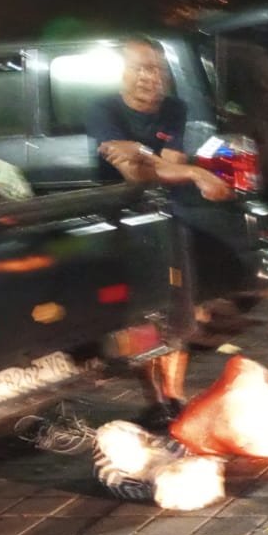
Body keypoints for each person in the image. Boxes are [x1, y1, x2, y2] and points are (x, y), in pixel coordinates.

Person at [87, 37, 231, 418]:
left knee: (180, 311)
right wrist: (193, 173)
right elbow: (132, 175)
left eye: (158, 70)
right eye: (142, 68)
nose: (151, 78)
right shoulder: (103, 109)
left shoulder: (174, 109)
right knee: (142, 316)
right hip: (125, 224)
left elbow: (163, 166)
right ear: (123, 73)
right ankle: (154, 400)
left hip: (169, 217)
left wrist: (140, 153)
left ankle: (175, 396)